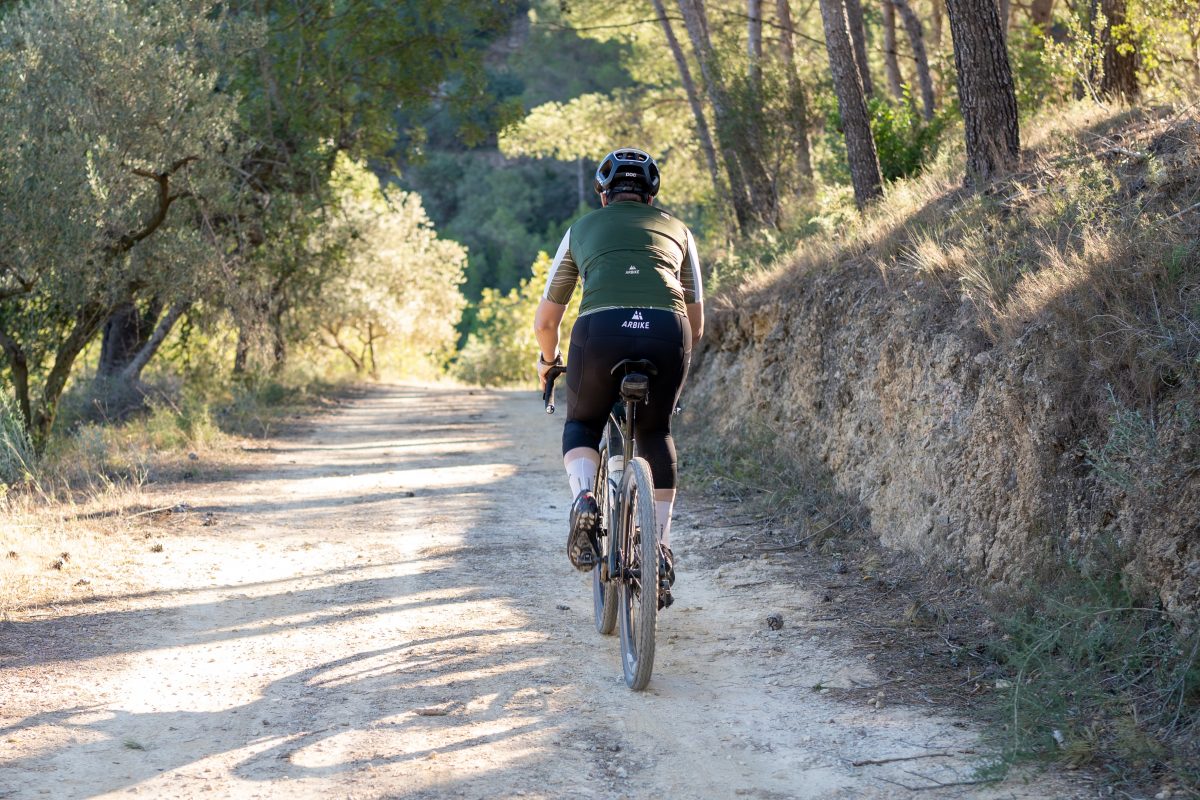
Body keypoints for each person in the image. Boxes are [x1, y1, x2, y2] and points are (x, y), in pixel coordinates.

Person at [533, 147, 704, 607]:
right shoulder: (680, 232)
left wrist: (548, 362)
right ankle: (660, 547)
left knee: (583, 423)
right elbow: (698, 320)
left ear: (603, 194)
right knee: (656, 430)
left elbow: (547, 321)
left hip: (600, 331)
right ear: (651, 196)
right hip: (668, 333)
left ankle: (585, 499)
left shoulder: (580, 230)